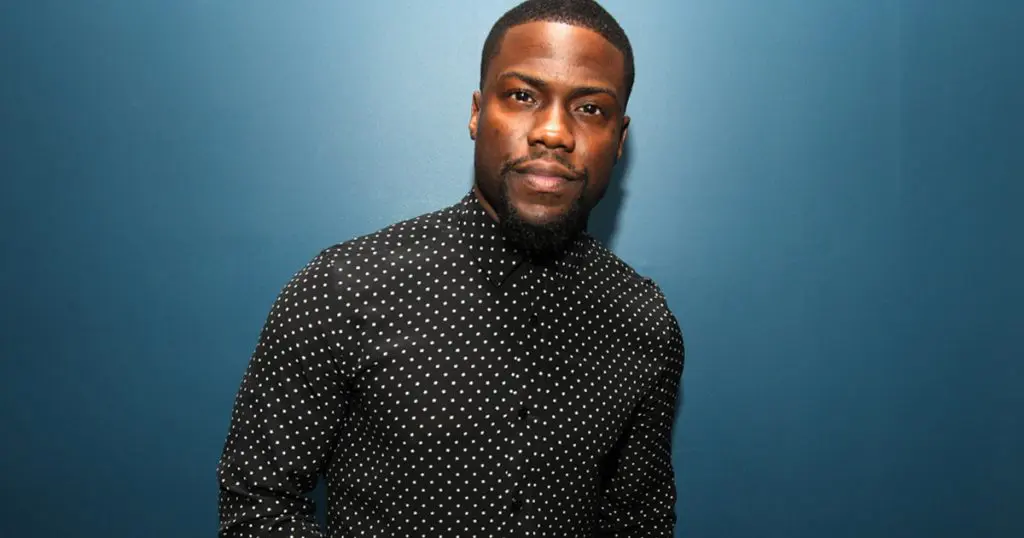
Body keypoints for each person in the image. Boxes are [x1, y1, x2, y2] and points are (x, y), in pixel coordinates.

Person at [216, 1, 685, 536]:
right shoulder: (344, 290)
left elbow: (638, 522)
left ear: (619, 140)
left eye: (591, 108)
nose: (554, 132)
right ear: (477, 112)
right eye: (523, 96)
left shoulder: (645, 326)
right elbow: (259, 505)